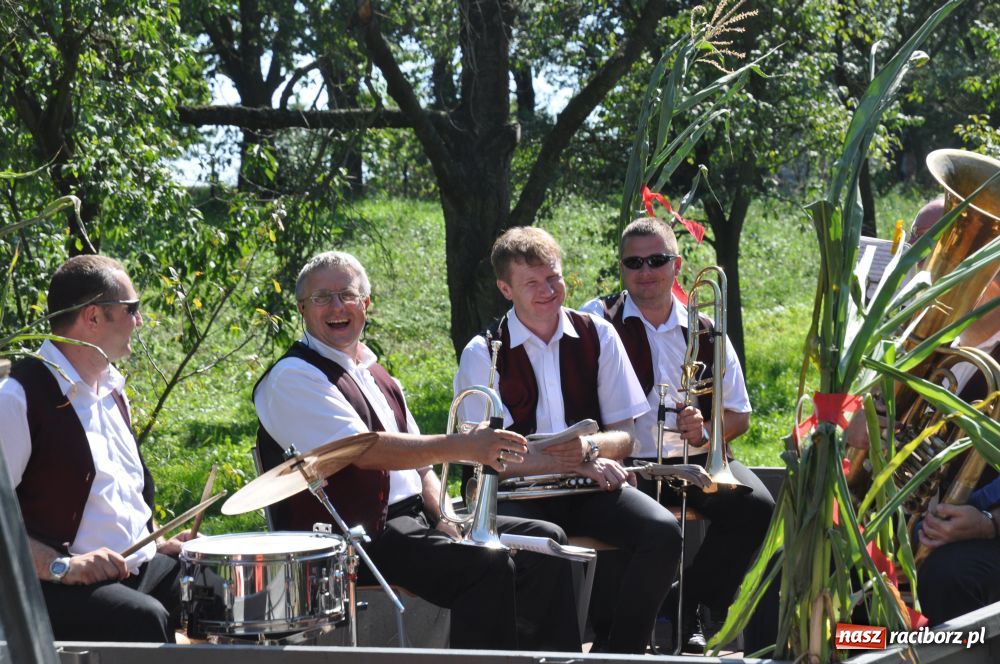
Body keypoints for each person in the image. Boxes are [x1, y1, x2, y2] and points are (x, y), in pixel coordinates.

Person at [252, 250, 580, 652]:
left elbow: (421, 463)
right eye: (322, 298)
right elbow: (364, 452)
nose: (337, 307)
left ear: (365, 304)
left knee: (547, 544)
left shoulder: (374, 372)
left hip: (413, 521)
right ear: (303, 309)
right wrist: (465, 446)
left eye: (348, 295)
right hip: (355, 538)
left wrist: (443, 515)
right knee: (486, 566)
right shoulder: (293, 376)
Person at [454, 226, 682, 655]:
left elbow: (627, 436)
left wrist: (590, 452)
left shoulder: (599, 333)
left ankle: (621, 653)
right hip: (517, 498)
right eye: (532, 283)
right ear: (506, 288)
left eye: (553, 277)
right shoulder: (483, 352)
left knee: (663, 533)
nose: (547, 291)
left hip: (588, 487)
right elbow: (487, 456)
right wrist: (577, 460)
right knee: (549, 541)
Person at [580, 218, 775, 652]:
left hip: (692, 461)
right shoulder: (596, 319)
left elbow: (739, 414)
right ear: (622, 268)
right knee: (633, 526)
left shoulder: (706, 327)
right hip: (627, 464)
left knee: (756, 506)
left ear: (677, 264)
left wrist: (706, 433)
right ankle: (619, 629)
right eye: (634, 262)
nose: (645, 271)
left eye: (657, 260)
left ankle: (693, 606)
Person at [0, 255, 190, 642]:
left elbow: (116, 494)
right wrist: (63, 567)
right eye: (132, 310)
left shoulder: (112, 389)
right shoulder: (17, 398)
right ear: (92, 317)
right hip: (51, 585)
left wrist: (156, 540)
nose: (139, 321)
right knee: (143, 620)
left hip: (133, 567)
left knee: (218, 590)